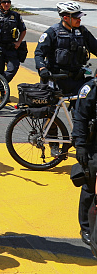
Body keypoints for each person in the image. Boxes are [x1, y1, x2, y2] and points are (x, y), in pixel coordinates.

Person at [35, 1, 97, 96]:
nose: (79, 20)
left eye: (80, 17)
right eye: (76, 17)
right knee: (49, 109)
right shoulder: (52, 33)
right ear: (65, 18)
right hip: (56, 79)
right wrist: (42, 69)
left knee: (81, 109)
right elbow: (39, 53)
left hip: (77, 79)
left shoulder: (83, 32)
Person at [73, 77, 97, 246]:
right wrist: (80, 146)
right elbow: (80, 118)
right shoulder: (90, 89)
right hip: (93, 145)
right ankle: (86, 228)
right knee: (90, 185)